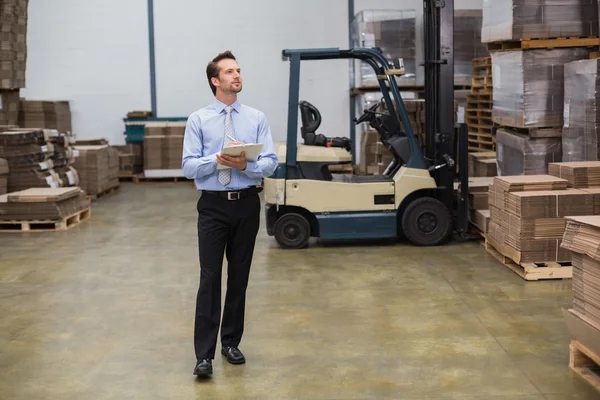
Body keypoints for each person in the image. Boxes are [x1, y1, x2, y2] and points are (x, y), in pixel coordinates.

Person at [181, 50, 278, 377]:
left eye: (238, 71)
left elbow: (270, 162)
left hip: (247, 204)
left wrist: (246, 165)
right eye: (229, 72)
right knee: (209, 278)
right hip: (213, 207)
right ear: (215, 80)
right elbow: (188, 166)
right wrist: (218, 159)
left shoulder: (256, 118)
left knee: (239, 276)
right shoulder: (198, 120)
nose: (237, 76)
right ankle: (203, 355)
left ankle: (231, 343)